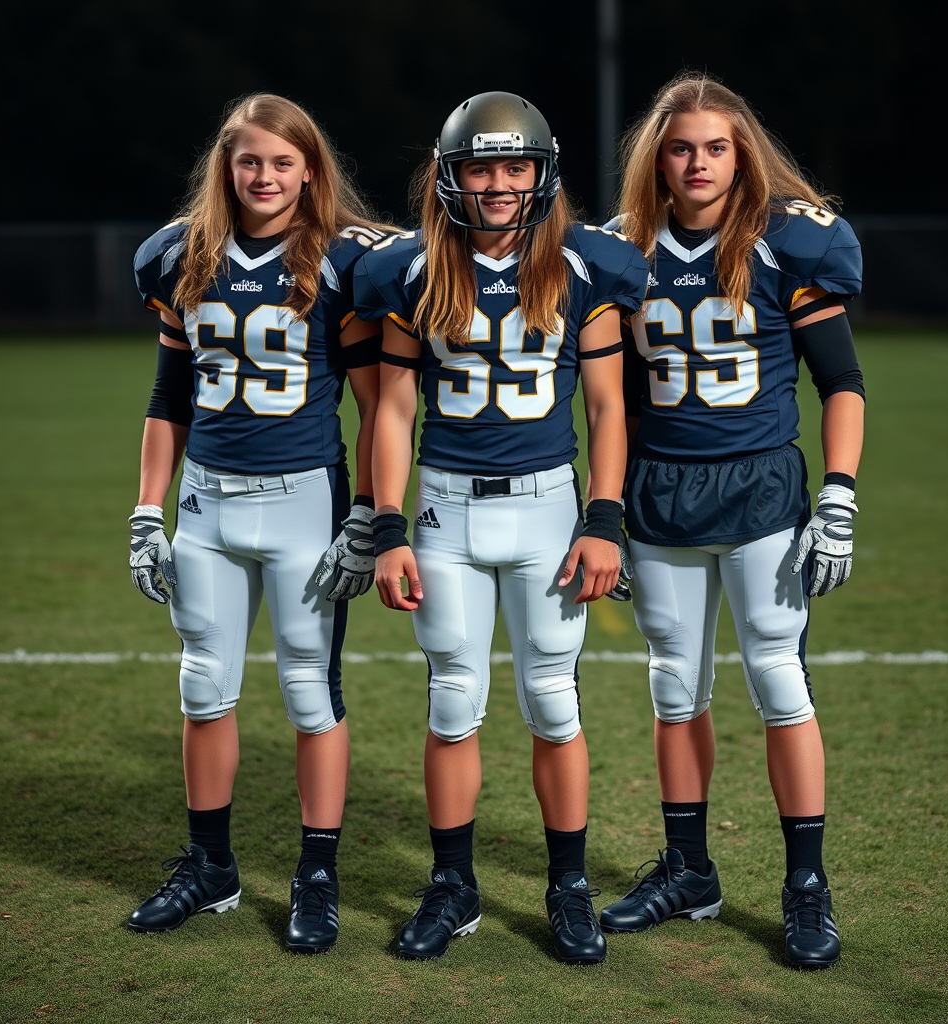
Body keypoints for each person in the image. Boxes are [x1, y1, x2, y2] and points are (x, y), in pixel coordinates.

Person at [349, 91, 649, 965]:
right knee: (453, 700)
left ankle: (569, 886)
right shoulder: (408, 271)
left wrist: (603, 519)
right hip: (444, 506)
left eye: (514, 166)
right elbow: (395, 410)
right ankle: (453, 886)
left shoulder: (586, 265)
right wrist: (390, 526)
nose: (498, 184)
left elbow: (606, 403)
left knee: (553, 701)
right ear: (449, 176)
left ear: (541, 172)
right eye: (480, 167)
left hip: (548, 504)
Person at [598, 71, 864, 971]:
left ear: (741, 152)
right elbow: (612, 400)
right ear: (658, 158)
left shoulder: (786, 242)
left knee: (777, 679)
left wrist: (838, 492)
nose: (699, 162)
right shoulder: (621, 252)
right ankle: (688, 869)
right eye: (681, 147)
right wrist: (606, 507)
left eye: (716, 146)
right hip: (660, 492)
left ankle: (805, 886)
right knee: (676, 682)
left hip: (758, 492)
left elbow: (844, 383)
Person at [125, 92, 398, 954]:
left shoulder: (345, 261)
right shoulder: (180, 256)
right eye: (251, 161)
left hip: (302, 504)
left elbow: (379, 403)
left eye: (283, 162)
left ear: (309, 169)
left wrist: (370, 510)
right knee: (203, 684)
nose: (266, 176)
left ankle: (316, 874)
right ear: (227, 166)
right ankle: (210, 866)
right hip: (206, 501)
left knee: (310, 695)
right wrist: (145, 508)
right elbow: (169, 397)